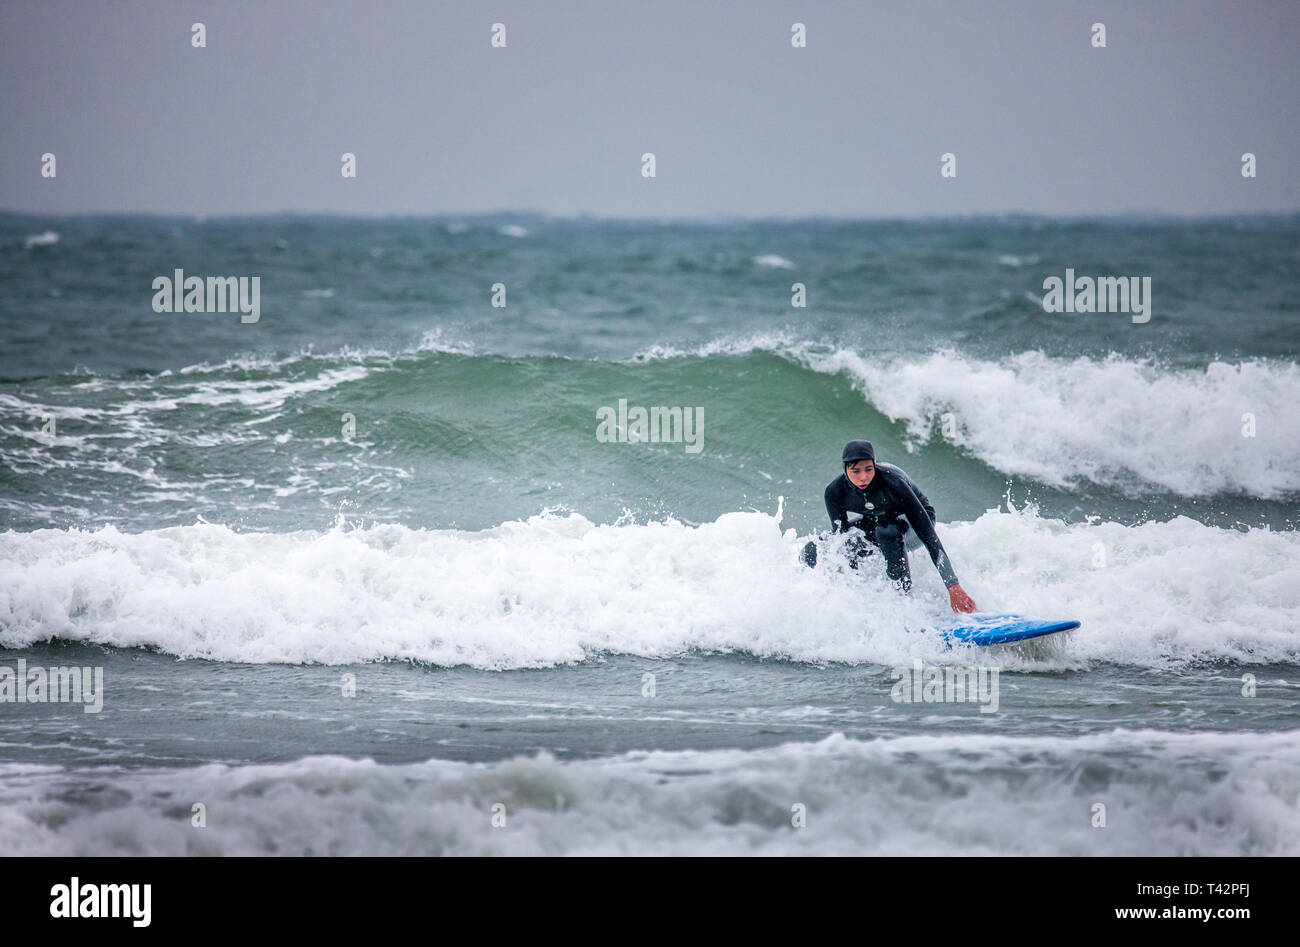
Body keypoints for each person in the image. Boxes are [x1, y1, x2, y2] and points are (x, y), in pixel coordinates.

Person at [802, 440, 977, 613]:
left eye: (868, 469)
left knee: (887, 531)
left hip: (913, 525)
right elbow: (842, 539)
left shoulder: (893, 482)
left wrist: (952, 585)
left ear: (874, 464)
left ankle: (903, 603)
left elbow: (929, 536)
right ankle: (848, 600)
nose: (863, 477)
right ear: (845, 469)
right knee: (815, 549)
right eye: (856, 471)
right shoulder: (834, 492)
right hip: (877, 520)